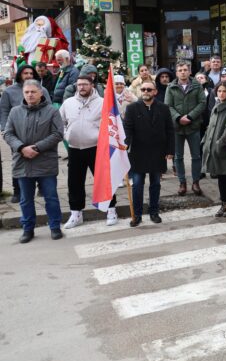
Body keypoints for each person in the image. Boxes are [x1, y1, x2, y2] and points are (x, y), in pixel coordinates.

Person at [3, 80, 64, 242]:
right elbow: (8, 134)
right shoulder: (15, 112)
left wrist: (36, 148)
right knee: (25, 199)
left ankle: (55, 226)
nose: (30, 95)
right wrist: (22, 148)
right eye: (27, 92)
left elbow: (58, 134)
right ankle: (28, 229)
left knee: (51, 197)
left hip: (45, 161)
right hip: (23, 162)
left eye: (33, 92)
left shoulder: (51, 111)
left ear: (41, 93)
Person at [59, 75, 118, 228]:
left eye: (85, 84)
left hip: (96, 148)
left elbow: (111, 123)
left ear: (92, 85)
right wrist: (67, 134)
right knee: (74, 182)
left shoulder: (102, 103)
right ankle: (76, 213)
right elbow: (60, 122)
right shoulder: (68, 103)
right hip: (74, 149)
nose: (82, 87)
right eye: (79, 85)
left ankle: (110, 210)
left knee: (103, 179)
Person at [123, 80, 175, 227]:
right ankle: (137, 215)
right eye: (143, 89)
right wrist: (125, 145)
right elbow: (128, 128)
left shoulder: (164, 108)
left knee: (156, 184)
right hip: (138, 152)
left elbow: (170, 130)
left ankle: (154, 212)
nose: (145, 91)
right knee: (138, 184)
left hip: (158, 152)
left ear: (155, 92)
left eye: (149, 89)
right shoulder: (132, 108)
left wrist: (170, 150)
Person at [0, 65, 51, 204]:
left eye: (30, 73)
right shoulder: (9, 92)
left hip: (40, 132)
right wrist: (5, 129)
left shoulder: (42, 90)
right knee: (18, 161)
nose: (28, 75)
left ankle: (42, 187)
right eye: (25, 73)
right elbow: (4, 111)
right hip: (17, 134)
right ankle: (18, 191)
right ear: (19, 75)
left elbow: (49, 108)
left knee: (41, 159)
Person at [166, 60, 207, 196]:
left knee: (196, 156)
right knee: (178, 157)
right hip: (177, 127)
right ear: (176, 72)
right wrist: (178, 118)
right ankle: (182, 182)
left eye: (185, 70)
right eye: (180, 70)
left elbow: (202, 103)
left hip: (193, 125)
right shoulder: (171, 87)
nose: (183, 72)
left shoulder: (197, 85)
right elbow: (168, 106)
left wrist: (190, 117)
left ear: (189, 71)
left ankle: (195, 182)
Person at [203, 81, 226, 218]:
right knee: (221, 178)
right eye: (219, 91)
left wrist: (219, 144)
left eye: (224, 91)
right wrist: (206, 142)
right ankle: (224, 204)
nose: (221, 93)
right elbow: (211, 126)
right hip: (215, 149)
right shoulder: (216, 107)